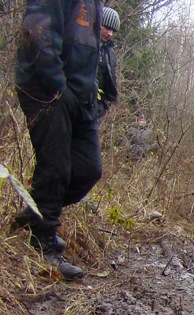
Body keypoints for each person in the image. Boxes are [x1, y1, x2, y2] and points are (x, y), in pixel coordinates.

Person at [14, 0, 104, 280]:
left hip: (81, 98)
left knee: (89, 169)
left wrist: (89, 97)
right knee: (56, 167)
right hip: (48, 87)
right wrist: (57, 85)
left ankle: (37, 215)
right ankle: (44, 243)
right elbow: (36, 29)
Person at [96, 6, 119, 121]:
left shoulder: (109, 53)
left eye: (113, 31)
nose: (110, 33)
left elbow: (110, 82)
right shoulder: (82, 45)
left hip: (95, 109)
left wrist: (104, 105)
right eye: (107, 28)